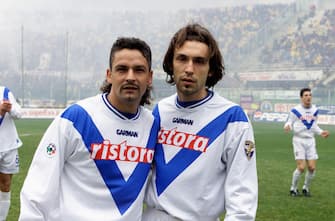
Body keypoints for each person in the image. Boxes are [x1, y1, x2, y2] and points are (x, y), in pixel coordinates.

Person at [19, 37, 159, 221]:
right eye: (122, 69)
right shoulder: (76, 118)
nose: (130, 77)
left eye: (139, 70)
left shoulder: (153, 126)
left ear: (149, 77)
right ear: (109, 75)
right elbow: (37, 188)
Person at [143, 23, 258, 221]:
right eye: (182, 59)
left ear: (211, 70)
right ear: (171, 64)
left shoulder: (232, 117)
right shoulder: (160, 110)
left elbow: (242, 197)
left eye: (199, 61)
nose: (189, 69)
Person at [284, 87, 329, 197]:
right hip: (298, 140)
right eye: (306, 95)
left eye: (310, 95)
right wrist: (287, 126)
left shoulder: (315, 110)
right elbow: (289, 122)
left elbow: (313, 125)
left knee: (312, 168)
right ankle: (293, 189)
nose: (308, 97)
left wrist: (321, 132)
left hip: (311, 141)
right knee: (301, 167)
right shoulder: (295, 110)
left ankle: (305, 188)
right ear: (301, 97)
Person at [0, 86, 22, 221]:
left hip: (9, 147)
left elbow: (18, 114)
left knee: (5, 185)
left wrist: (10, 109)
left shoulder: (4, 91)